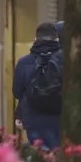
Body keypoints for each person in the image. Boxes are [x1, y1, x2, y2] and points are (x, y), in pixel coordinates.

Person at [13, 21, 63, 149]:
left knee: (38, 154)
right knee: (58, 154)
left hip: (33, 119)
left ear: (35, 39)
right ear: (57, 40)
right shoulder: (64, 61)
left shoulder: (24, 62)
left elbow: (17, 92)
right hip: (58, 118)